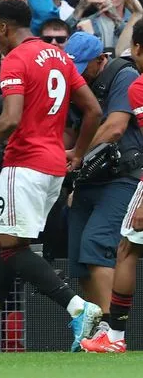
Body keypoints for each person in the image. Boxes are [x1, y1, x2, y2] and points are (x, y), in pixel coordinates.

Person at [0, 0, 103, 353]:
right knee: (13, 246)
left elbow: (12, 117)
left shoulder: (15, 59)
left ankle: (78, 308)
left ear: (2, 27)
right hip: (52, 169)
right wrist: (77, 153)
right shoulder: (60, 56)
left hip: (24, 164)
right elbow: (93, 109)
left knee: (10, 247)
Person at [65, 32, 142, 325]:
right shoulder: (71, 82)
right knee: (80, 261)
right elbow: (69, 130)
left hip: (121, 176)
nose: (78, 74)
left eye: (84, 67)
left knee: (97, 246)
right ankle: (92, 327)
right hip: (86, 180)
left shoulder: (123, 75)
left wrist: (77, 152)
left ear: (101, 59)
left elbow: (115, 127)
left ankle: (111, 331)